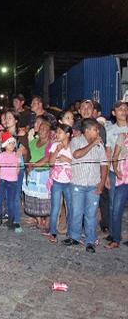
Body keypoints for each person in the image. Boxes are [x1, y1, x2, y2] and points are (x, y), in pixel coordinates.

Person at [64, 118, 108, 253]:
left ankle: (90, 241)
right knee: (76, 212)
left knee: (91, 214)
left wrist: (101, 183)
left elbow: (104, 165)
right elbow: (77, 155)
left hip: (93, 185)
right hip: (78, 183)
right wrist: (92, 144)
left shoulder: (100, 145)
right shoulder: (76, 141)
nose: (98, 131)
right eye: (95, 129)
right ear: (87, 130)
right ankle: (74, 237)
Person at [104, 101, 128, 241]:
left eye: (125, 109)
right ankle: (113, 234)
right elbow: (108, 152)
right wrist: (106, 174)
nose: (123, 111)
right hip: (114, 171)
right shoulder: (110, 130)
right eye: (120, 109)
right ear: (114, 112)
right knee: (114, 204)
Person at [46, 124, 73, 243]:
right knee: (55, 207)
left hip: (70, 182)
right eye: (57, 132)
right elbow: (51, 163)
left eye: (60, 132)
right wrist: (57, 151)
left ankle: (71, 232)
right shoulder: (55, 145)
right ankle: (53, 232)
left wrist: (67, 160)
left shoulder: (73, 147)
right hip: (57, 181)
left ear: (67, 134)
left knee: (71, 208)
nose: (57, 134)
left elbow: (78, 162)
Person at [24, 119, 52, 231]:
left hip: (44, 173)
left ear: (49, 132)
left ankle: (48, 222)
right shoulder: (32, 142)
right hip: (32, 174)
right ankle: (39, 220)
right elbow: (27, 154)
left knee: (46, 199)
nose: (42, 131)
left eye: (45, 129)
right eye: (40, 128)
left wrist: (34, 165)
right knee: (34, 198)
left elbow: (48, 158)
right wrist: (28, 165)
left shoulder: (51, 144)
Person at [0, 134, 21, 230]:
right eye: (10, 143)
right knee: (0, 200)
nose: (13, 145)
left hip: (13, 181)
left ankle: (10, 220)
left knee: (11, 201)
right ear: (5, 145)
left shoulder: (16, 155)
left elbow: (18, 167)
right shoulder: (0, 155)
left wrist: (15, 175)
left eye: (14, 143)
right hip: (3, 181)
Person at [107, 131, 128, 249]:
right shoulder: (123, 136)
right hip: (123, 179)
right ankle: (115, 239)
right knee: (116, 210)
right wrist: (115, 170)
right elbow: (115, 156)